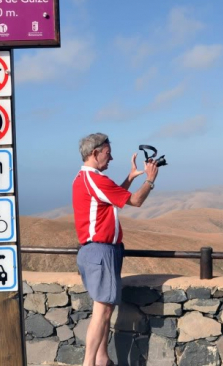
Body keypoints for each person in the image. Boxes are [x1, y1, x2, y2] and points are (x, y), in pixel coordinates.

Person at [72, 133, 159, 366]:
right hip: (101, 251)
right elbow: (136, 201)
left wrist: (129, 178)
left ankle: (101, 359)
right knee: (101, 311)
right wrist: (150, 179)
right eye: (108, 154)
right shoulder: (97, 180)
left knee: (105, 309)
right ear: (95, 153)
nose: (110, 159)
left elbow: (113, 197)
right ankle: (89, 363)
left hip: (94, 252)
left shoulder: (84, 179)